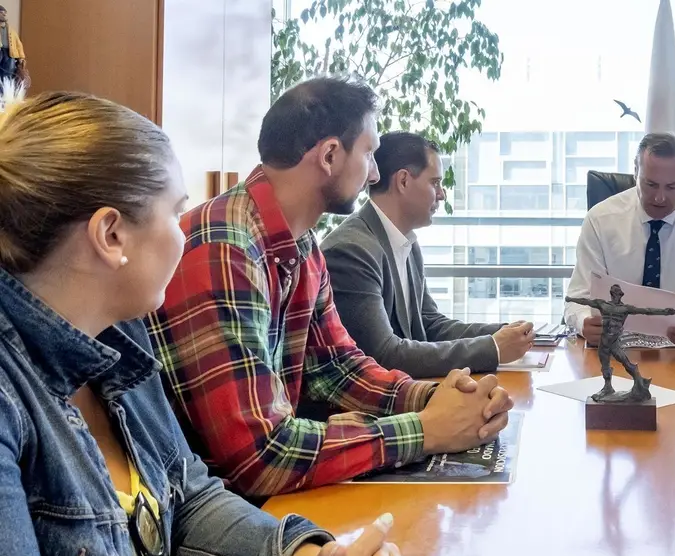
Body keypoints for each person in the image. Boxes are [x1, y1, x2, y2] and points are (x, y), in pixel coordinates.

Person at [0, 88, 434, 556]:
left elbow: (191, 498)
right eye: (174, 214)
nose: (188, 231)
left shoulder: (117, 337)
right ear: (110, 234)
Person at [147, 78, 513, 499]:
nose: (375, 172)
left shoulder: (301, 245)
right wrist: (425, 430)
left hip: (261, 502)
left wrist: (437, 397)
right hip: (210, 515)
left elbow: (340, 367)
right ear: (330, 155)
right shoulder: (226, 248)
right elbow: (261, 458)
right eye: (370, 152)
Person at [322, 131, 535, 378]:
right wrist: (494, 347)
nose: (442, 194)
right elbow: (383, 355)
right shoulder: (352, 251)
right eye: (435, 183)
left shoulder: (405, 241)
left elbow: (430, 323)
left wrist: (504, 333)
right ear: (403, 181)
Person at [564, 132, 675, 351]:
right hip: (614, 350)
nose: (659, 198)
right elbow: (576, 299)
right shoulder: (600, 219)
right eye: (650, 184)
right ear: (636, 172)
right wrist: (584, 323)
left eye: (672, 187)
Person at [0, 5, 25, 85]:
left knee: (8, 73)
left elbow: (18, 44)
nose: (4, 15)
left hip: (10, 53)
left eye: (4, 13)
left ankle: (4, 93)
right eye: (1, 13)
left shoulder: (11, 30)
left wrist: (21, 57)